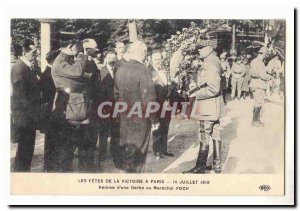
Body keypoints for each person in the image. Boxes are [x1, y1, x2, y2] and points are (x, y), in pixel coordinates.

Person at [114, 41, 159, 173]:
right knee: (139, 151)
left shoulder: (120, 68)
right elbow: (149, 98)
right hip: (140, 119)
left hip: (124, 117)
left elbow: (116, 95)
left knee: (128, 150)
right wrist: (154, 119)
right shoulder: (143, 70)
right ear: (143, 53)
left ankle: (128, 179)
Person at [183, 46, 224, 174]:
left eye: (200, 48)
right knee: (215, 133)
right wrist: (194, 89)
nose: (198, 51)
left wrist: (195, 94)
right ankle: (217, 165)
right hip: (215, 106)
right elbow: (207, 84)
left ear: (208, 48)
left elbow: (213, 88)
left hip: (207, 107)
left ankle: (200, 166)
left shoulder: (210, 64)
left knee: (203, 135)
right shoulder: (214, 60)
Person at [51, 37, 90, 172]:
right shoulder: (60, 62)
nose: (77, 49)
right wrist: (81, 55)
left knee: (78, 144)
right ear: (70, 47)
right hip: (70, 109)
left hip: (75, 107)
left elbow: (75, 80)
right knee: (69, 147)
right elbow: (77, 72)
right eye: (76, 47)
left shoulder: (65, 60)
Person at [11, 39, 40, 172]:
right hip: (25, 117)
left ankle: (23, 174)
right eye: (33, 52)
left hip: (29, 116)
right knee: (24, 151)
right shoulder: (19, 67)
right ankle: (20, 177)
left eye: (35, 52)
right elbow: (20, 97)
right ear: (25, 51)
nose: (35, 54)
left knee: (28, 150)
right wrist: (30, 114)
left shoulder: (27, 66)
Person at [149, 51, 174, 159]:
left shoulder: (165, 71)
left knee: (165, 126)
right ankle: (157, 150)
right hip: (157, 104)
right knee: (157, 127)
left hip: (167, 103)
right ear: (151, 60)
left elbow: (167, 86)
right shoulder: (149, 72)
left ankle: (164, 149)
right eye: (156, 60)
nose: (158, 61)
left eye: (159, 59)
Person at [39, 50, 60, 172]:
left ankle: (52, 165)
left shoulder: (49, 73)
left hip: (53, 112)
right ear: (54, 61)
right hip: (50, 113)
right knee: (51, 141)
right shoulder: (47, 74)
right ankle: (50, 167)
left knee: (53, 140)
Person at [97, 50, 120, 162]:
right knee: (104, 131)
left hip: (116, 106)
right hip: (104, 106)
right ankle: (102, 154)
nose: (112, 59)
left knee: (116, 129)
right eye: (109, 57)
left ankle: (115, 152)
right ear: (105, 59)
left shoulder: (119, 71)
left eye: (113, 57)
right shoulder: (101, 71)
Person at [249, 47, 272, 127]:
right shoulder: (260, 63)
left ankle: (256, 120)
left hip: (254, 84)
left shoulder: (253, 61)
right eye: (266, 55)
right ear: (263, 54)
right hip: (259, 84)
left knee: (257, 102)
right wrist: (270, 77)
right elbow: (262, 76)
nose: (265, 57)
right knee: (259, 103)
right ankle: (255, 121)